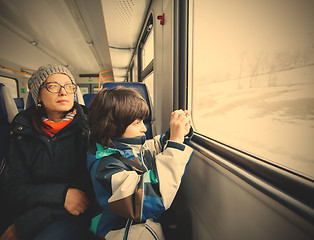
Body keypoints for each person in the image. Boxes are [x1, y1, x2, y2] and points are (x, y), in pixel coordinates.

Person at [0, 64, 95, 240]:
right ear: (38, 95)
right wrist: (61, 195)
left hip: (74, 215)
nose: (63, 92)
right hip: (28, 211)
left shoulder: (90, 126)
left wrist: (26, 225)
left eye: (69, 86)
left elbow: (85, 195)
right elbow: (14, 188)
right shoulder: (22, 129)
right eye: (53, 86)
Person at [87, 86, 194, 239]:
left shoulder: (127, 147)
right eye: (137, 123)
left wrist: (178, 133)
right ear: (113, 126)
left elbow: (152, 148)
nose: (144, 128)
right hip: (123, 232)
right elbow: (145, 200)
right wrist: (175, 143)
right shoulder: (105, 166)